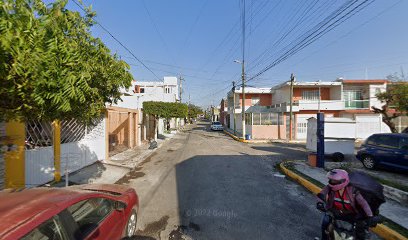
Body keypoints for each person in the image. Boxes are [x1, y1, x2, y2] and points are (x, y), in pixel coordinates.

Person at [316, 169, 374, 240]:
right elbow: (321, 194)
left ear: (343, 181)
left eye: (334, 181)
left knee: (361, 230)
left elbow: (364, 203)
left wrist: (370, 216)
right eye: (331, 180)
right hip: (334, 211)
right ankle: (324, 238)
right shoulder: (329, 187)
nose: (331, 182)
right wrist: (320, 203)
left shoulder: (353, 191)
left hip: (352, 214)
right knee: (325, 221)